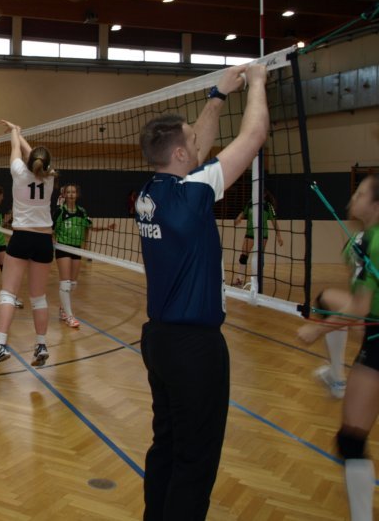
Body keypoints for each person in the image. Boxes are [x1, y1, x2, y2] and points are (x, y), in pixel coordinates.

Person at [135, 63, 266, 520]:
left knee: (167, 445)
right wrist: (258, 82)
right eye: (191, 141)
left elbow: (195, 148)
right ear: (179, 154)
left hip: (158, 342)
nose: (198, 144)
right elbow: (253, 137)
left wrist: (218, 94)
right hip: (195, 348)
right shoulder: (193, 194)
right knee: (196, 460)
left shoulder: (150, 192)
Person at [297, 174, 379, 521]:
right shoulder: (362, 240)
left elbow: (359, 308)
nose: (352, 198)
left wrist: (316, 330)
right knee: (327, 298)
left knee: (351, 441)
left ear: (376, 205)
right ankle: (335, 376)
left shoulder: (370, 242)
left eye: (360, 193)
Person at [0, 120, 56, 370]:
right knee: (38, 297)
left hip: (22, 237)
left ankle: (0, 345)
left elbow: (18, 150)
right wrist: (21, 134)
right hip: (44, 241)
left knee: (8, 293)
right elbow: (33, 155)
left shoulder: (19, 173)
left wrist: (15, 132)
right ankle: (41, 344)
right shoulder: (51, 177)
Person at [53, 183, 94, 329]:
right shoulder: (60, 211)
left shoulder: (82, 211)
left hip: (77, 248)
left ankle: (62, 308)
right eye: (68, 192)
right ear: (64, 195)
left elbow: (89, 226)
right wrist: (54, 242)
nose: (71, 194)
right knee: (65, 282)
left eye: (73, 192)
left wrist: (106, 228)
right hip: (63, 247)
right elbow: (52, 229)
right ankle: (69, 316)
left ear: (77, 195)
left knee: (73, 284)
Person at [232, 188, 284, 286]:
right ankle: (240, 279)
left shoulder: (267, 206)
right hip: (250, 233)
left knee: (259, 257)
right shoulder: (250, 203)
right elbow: (243, 212)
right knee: (244, 255)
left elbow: (274, 222)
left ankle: (256, 280)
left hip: (262, 235)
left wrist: (279, 236)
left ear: (264, 195)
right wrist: (238, 218)